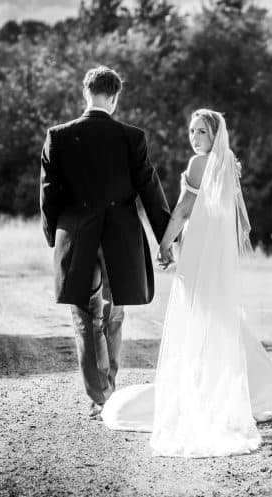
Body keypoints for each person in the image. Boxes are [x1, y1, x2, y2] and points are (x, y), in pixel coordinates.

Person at [101, 109, 272, 457]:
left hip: (199, 251)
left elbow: (184, 210)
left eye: (201, 131)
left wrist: (164, 243)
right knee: (216, 315)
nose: (194, 137)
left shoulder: (201, 163)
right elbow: (232, 219)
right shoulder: (229, 163)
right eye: (191, 131)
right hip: (213, 254)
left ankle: (200, 384)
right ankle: (228, 381)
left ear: (215, 134)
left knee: (197, 315)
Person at [40, 66, 171, 419]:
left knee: (85, 315)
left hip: (77, 234)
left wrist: (53, 235)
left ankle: (102, 395)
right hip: (121, 234)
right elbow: (150, 189)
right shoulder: (133, 137)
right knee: (114, 313)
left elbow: (49, 193)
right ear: (114, 98)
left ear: (86, 92)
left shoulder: (58, 136)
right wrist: (165, 239)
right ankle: (108, 391)